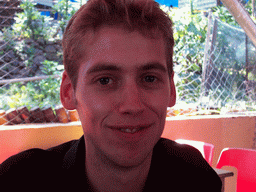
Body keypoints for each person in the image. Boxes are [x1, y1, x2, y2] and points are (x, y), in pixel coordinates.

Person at [0, 0, 222, 191]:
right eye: (105, 80)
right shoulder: (19, 182)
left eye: (149, 78)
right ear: (69, 92)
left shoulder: (194, 178)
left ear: (171, 90)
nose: (132, 105)